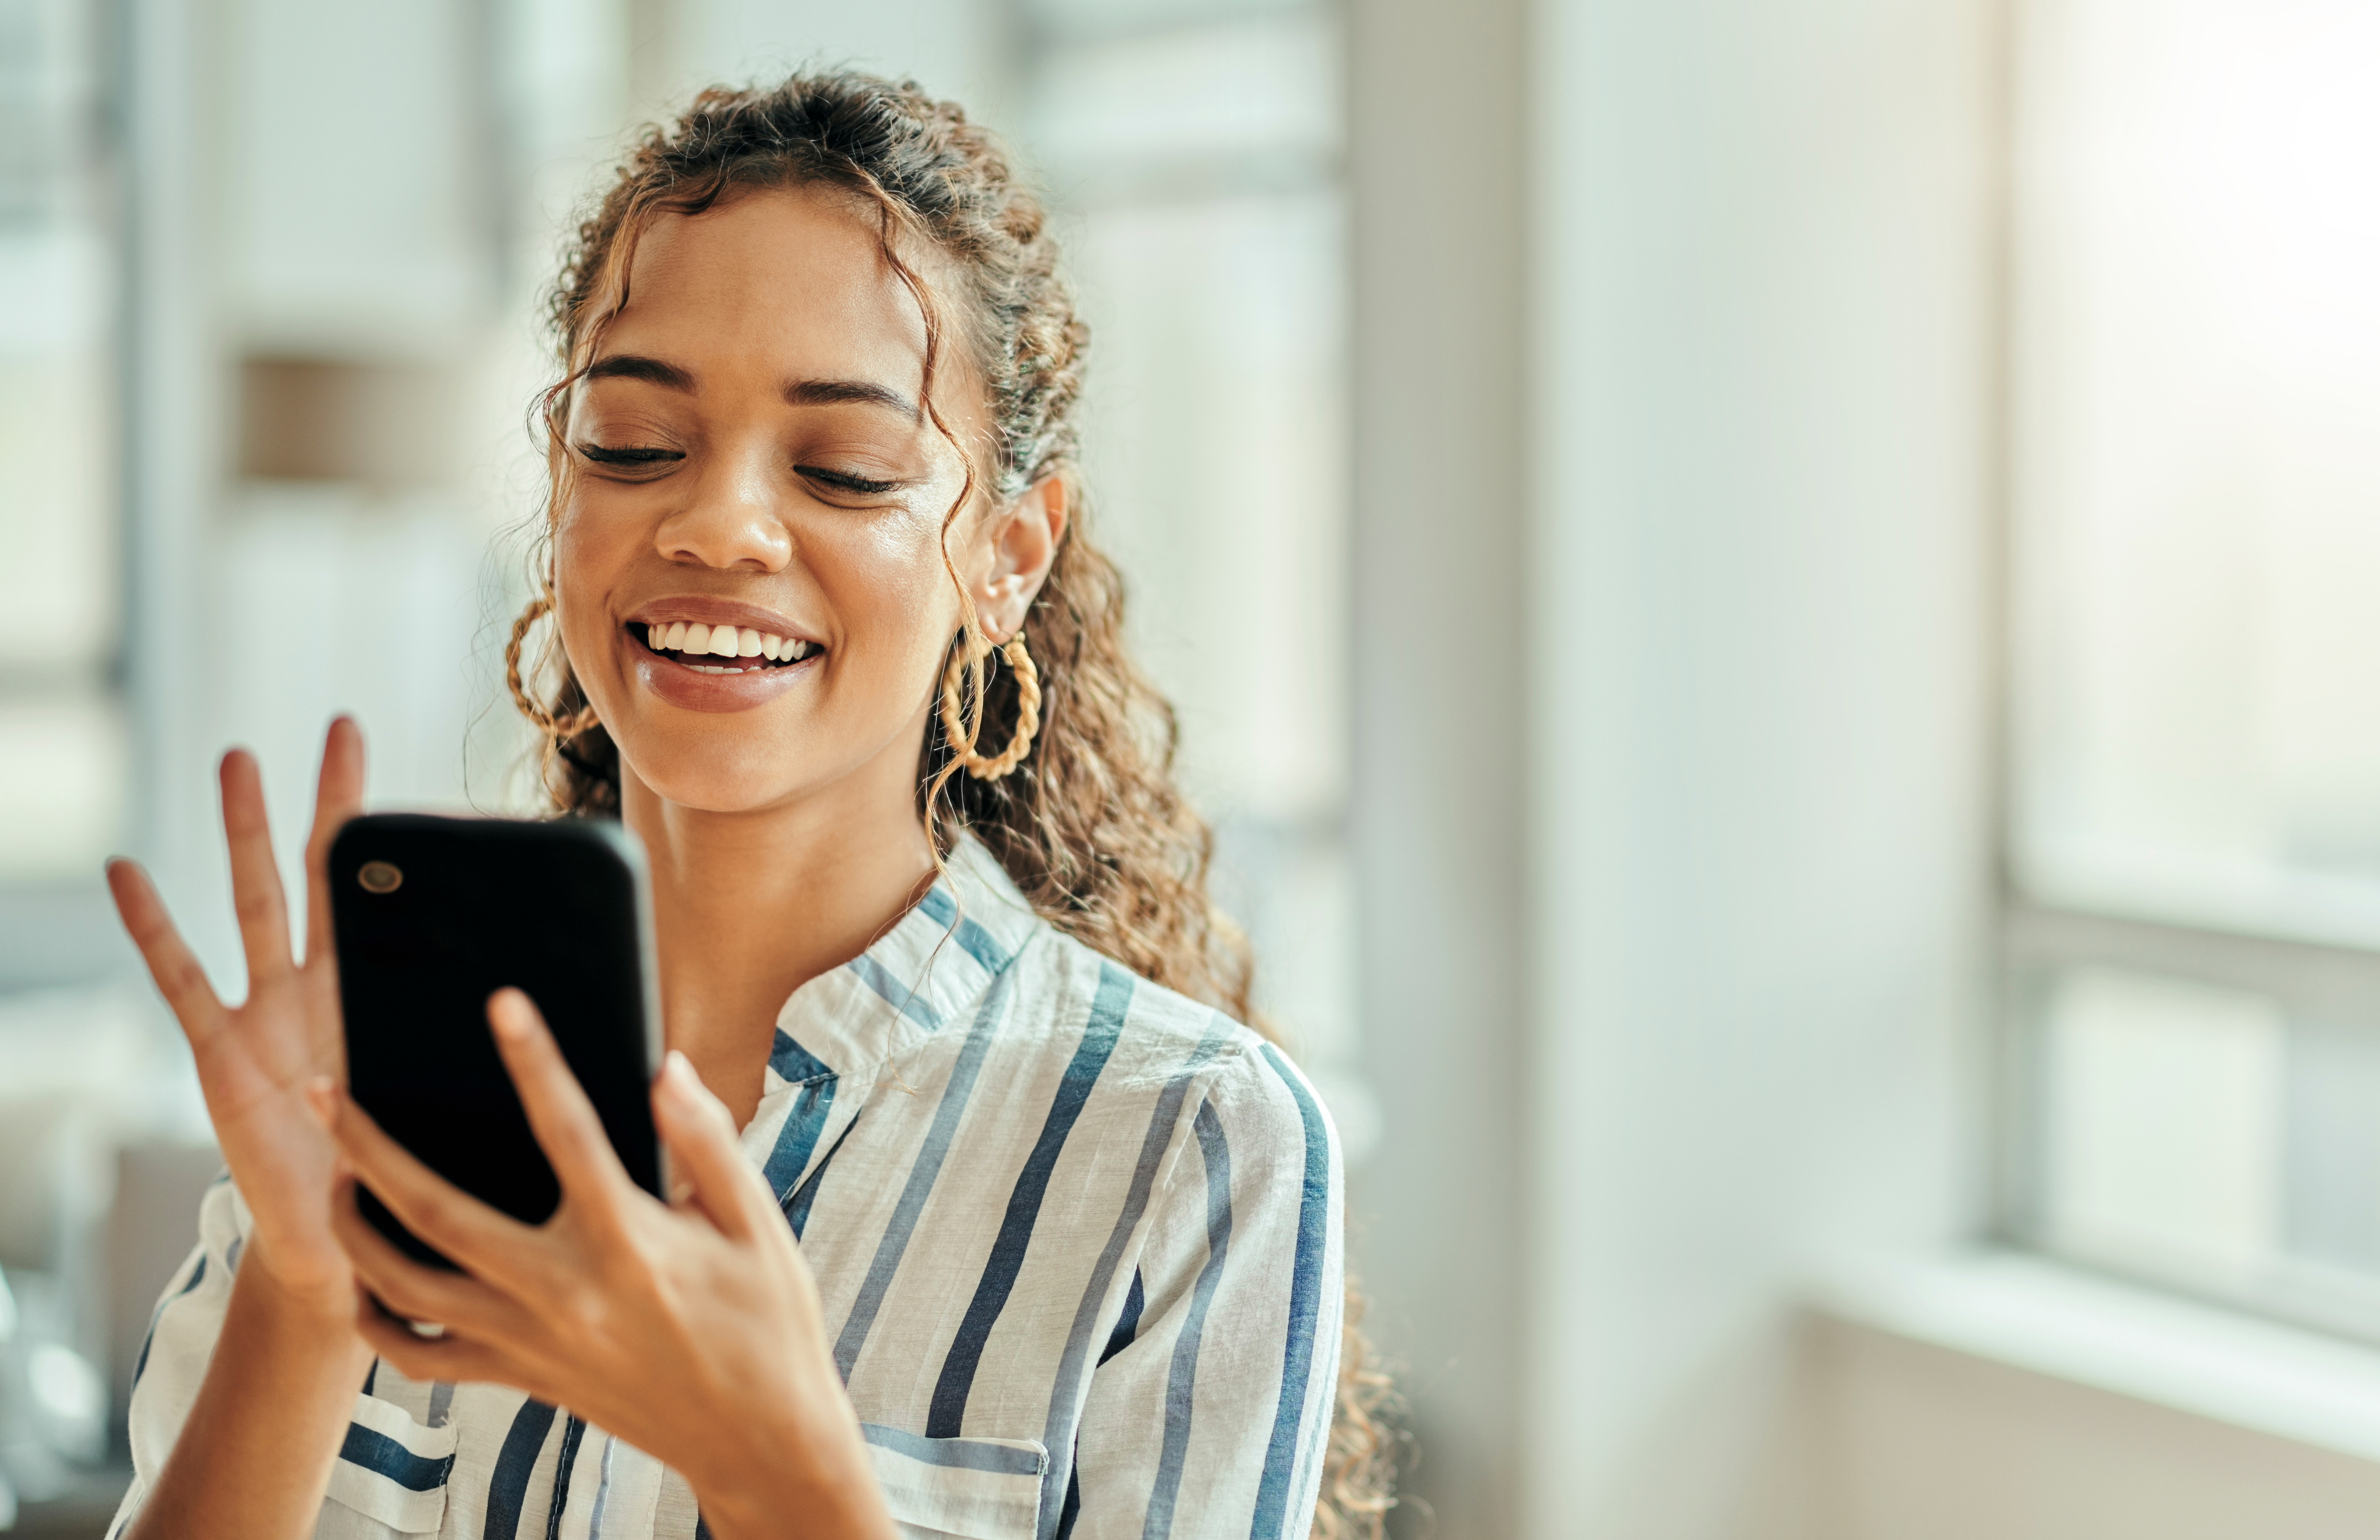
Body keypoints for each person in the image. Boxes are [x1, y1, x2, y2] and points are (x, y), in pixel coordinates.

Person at [101, 70, 1392, 1540]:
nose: (716, 525)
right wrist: (301, 1292)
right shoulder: (390, 1060)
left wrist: (777, 1472)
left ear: (1008, 556)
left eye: (843, 467)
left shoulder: (1188, 1144)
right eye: (632, 442)